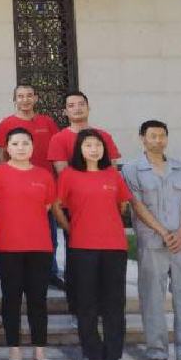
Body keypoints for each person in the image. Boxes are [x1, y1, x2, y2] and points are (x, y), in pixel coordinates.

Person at [52, 130, 136, 360]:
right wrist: (70, 228)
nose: (94, 149)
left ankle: (114, 357)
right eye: (88, 145)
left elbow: (122, 204)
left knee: (114, 304)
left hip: (114, 246)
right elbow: (56, 205)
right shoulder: (69, 175)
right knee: (86, 303)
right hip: (82, 247)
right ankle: (93, 355)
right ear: (80, 149)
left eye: (98, 145)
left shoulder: (113, 174)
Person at [123, 121, 181, 360]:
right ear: (142, 139)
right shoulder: (132, 169)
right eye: (153, 136)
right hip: (152, 241)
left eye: (162, 136)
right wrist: (163, 232)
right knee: (153, 298)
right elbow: (137, 205)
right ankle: (157, 353)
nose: (158, 140)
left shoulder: (179, 167)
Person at [0, 128, 58, 360]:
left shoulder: (44, 175)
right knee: (11, 299)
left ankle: (40, 353)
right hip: (8, 246)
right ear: (7, 148)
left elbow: (46, 206)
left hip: (40, 246)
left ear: (33, 147)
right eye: (15, 143)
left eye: (26, 143)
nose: (21, 148)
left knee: (38, 300)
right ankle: (14, 353)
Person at [47, 91, 121, 320]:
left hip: (103, 207)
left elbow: (112, 169)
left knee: (105, 261)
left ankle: (102, 306)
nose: (77, 108)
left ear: (89, 108)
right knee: (76, 258)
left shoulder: (104, 136)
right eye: (71, 105)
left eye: (81, 104)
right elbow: (62, 173)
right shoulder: (59, 139)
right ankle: (77, 307)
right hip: (74, 208)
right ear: (65, 112)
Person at [0, 85, 63, 290]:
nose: (25, 100)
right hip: (14, 189)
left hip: (43, 187)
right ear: (15, 99)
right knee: (14, 233)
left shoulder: (47, 123)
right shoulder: (6, 124)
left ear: (36, 98)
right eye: (21, 96)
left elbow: (56, 154)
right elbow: (1, 155)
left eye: (29, 96)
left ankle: (51, 272)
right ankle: (16, 274)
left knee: (49, 233)